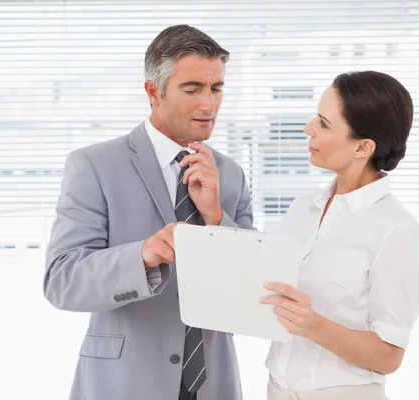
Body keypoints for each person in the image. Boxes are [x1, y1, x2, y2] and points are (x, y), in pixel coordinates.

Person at [44, 24, 253, 400]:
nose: (209, 104)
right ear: (153, 92)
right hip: (123, 384)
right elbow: (62, 282)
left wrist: (217, 218)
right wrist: (143, 256)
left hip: (213, 386)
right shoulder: (94, 165)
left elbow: (253, 294)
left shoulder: (230, 175)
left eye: (216, 88)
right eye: (192, 89)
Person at [260, 71, 419, 400]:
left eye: (324, 123)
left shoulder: (398, 232)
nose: (308, 127)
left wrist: (312, 324)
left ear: (363, 146)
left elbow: (388, 356)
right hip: (276, 390)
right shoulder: (302, 208)